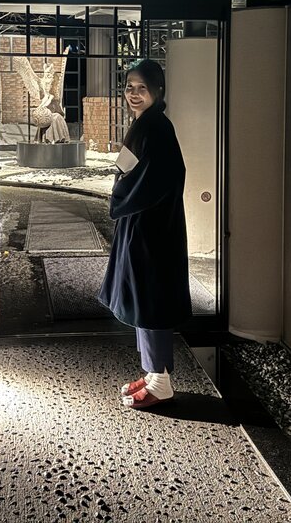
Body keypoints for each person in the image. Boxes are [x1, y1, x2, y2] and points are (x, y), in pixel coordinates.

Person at [98, 59, 191, 409]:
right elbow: (128, 169)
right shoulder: (145, 124)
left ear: (157, 91)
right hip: (141, 224)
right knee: (142, 298)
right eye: (129, 87)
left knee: (151, 301)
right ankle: (152, 373)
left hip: (152, 230)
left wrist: (120, 198)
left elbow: (157, 179)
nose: (134, 94)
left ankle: (161, 383)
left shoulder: (157, 128)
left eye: (142, 88)